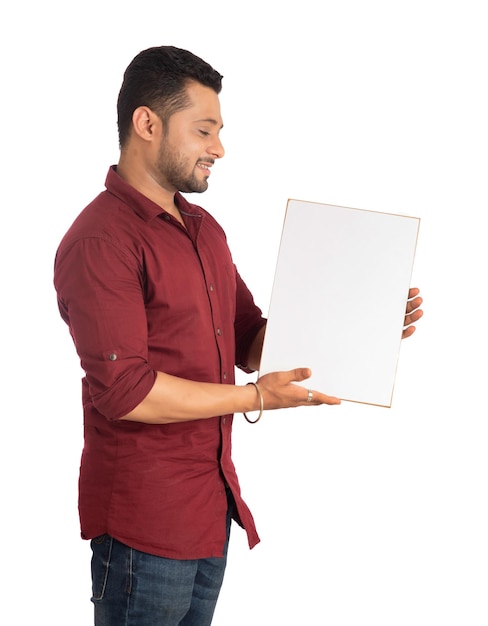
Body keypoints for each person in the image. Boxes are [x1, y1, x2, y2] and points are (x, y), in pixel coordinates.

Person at [53, 45, 423, 626]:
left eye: (219, 131)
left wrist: (362, 322)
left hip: (210, 509)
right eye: (204, 130)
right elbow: (127, 391)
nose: (219, 148)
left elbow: (251, 338)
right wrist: (256, 398)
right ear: (146, 123)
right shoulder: (103, 241)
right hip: (142, 526)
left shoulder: (204, 229)